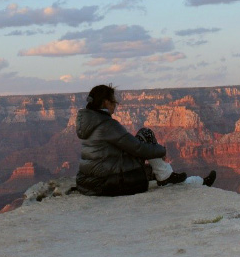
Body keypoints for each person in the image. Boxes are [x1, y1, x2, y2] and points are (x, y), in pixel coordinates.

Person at [75, 84, 215, 196]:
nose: (116, 105)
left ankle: (177, 178)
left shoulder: (89, 122)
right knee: (146, 134)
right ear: (106, 102)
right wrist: (161, 151)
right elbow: (138, 148)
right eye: (113, 102)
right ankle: (179, 179)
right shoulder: (107, 125)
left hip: (88, 182)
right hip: (106, 183)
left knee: (152, 170)